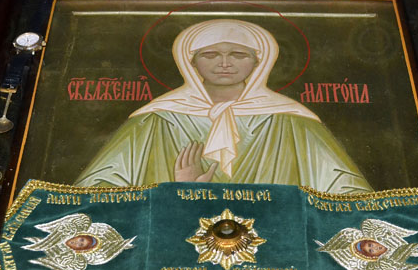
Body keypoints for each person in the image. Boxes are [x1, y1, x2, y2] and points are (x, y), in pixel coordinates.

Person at [74, 18, 373, 194]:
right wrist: (178, 192)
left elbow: (346, 191)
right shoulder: (156, 118)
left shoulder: (292, 119)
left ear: (258, 61)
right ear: (190, 62)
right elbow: (96, 191)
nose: (225, 63)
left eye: (239, 55)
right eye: (211, 54)